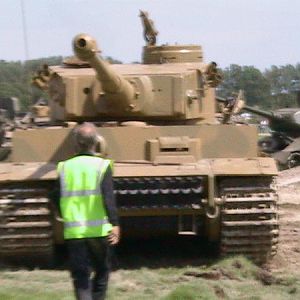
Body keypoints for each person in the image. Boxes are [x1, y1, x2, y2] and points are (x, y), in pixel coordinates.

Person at [56, 122, 120, 300]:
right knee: (102, 270)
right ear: (96, 142)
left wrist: (65, 214)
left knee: (80, 275)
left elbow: (55, 195)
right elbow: (108, 197)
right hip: (99, 231)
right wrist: (115, 223)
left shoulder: (64, 166)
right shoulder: (101, 165)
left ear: (75, 143)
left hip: (74, 231)